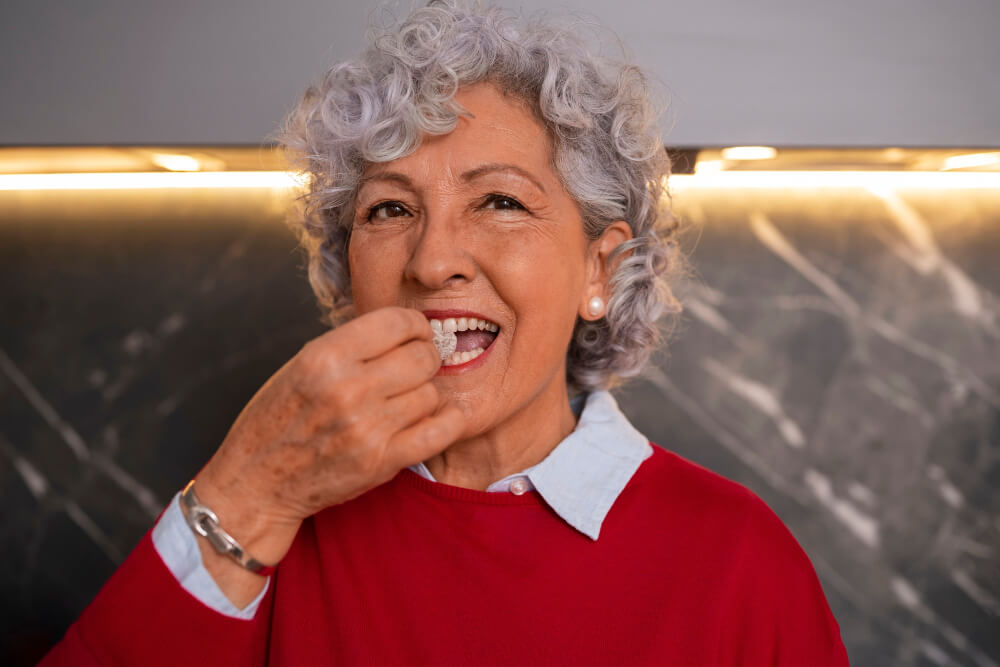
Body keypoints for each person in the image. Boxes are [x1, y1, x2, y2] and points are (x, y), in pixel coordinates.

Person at [40, 1, 849, 665]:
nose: (432, 262)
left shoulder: (739, 561)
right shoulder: (264, 523)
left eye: (499, 201)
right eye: (390, 209)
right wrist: (250, 488)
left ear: (599, 269)